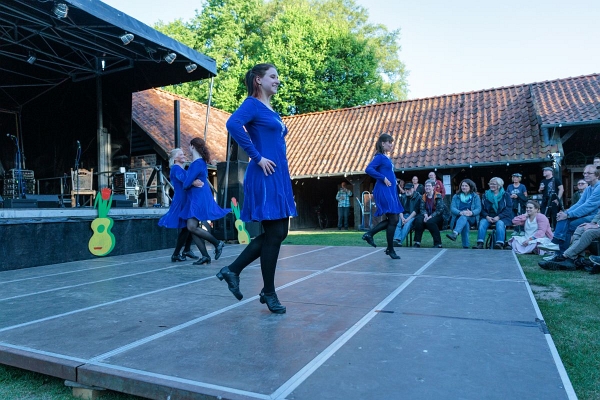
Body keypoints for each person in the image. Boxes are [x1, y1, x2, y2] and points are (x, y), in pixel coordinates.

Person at [219, 63, 297, 314]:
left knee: (279, 233)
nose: (277, 80)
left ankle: (233, 270)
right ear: (258, 80)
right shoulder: (252, 104)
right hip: (264, 174)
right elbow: (233, 124)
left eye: (277, 77)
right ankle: (268, 291)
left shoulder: (270, 109)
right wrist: (257, 156)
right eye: (273, 76)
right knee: (274, 233)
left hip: (277, 175)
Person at [180, 138, 228, 265]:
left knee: (191, 226)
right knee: (192, 227)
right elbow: (189, 181)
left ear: (192, 146)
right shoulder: (200, 162)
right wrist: (191, 182)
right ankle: (205, 255)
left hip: (197, 198)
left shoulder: (196, 163)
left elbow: (185, 184)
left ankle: (217, 243)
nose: (188, 149)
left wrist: (190, 182)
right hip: (197, 197)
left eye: (189, 146)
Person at [158, 148, 206, 262]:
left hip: (186, 199)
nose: (184, 155)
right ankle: (176, 254)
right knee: (186, 227)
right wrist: (194, 182)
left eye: (183, 154)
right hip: (181, 200)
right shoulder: (176, 168)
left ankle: (187, 250)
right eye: (181, 154)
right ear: (175, 158)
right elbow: (184, 179)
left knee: (190, 226)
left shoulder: (181, 168)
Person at [361, 133, 403, 259]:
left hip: (390, 191)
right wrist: (383, 178)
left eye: (392, 142)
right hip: (383, 190)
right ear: (383, 143)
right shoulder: (379, 157)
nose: (391, 145)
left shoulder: (385, 157)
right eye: (389, 142)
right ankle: (388, 248)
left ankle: (373, 237)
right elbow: (369, 169)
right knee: (394, 219)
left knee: (394, 220)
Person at [547, 164, 600, 258]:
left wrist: (568, 214)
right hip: (586, 215)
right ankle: (557, 246)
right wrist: (565, 213)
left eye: (589, 173)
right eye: (584, 173)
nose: (586, 175)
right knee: (562, 218)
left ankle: (560, 251)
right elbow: (579, 204)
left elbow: (588, 206)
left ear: (597, 175)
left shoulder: (598, 188)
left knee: (569, 225)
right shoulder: (588, 188)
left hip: (594, 217)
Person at [473, 177, 513, 249]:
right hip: (488, 217)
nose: (491, 185)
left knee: (500, 223)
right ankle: (480, 243)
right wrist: (487, 216)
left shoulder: (505, 195)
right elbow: (481, 208)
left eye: (494, 184)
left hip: (502, 217)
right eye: (490, 184)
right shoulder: (485, 195)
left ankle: (499, 243)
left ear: (499, 185)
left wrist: (498, 217)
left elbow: (508, 209)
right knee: (482, 223)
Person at [446, 179, 481, 249]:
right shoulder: (456, 196)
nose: (464, 187)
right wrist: (460, 212)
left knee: (465, 217)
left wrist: (471, 212)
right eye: (462, 186)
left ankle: (455, 233)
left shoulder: (475, 196)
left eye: (466, 186)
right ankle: (465, 246)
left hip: (472, 217)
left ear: (470, 187)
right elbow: (452, 208)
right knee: (465, 223)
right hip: (459, 217)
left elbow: (478, 208)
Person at [412, 179, 445, 248]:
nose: (427, 187)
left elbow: (440, 210)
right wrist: (425, 215)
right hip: (426, 214)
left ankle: (438, 243)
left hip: (437, 216)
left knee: (430, 222)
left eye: (429, 186)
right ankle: (417, 242)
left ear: (433, 187)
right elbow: (422, 208)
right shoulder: (423, 196)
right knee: (418, 220)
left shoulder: (438, 196)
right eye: (426, 186)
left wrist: (430, 216)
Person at [393, 182, 422, 247]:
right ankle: (396, 240)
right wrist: (402, 218)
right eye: (406, 189)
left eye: (409, 189)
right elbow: (400, 209)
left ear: (413, 189)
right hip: (403, 215)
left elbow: (416, 211)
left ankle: (399, 242)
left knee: (407, 224)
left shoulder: (418, 197)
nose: (407, 191)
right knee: (398, 222)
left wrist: (407, 219)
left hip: (413, 216)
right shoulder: (403, 196)